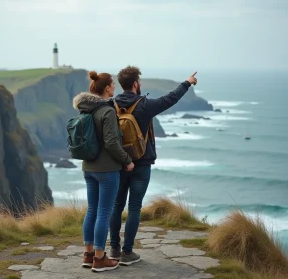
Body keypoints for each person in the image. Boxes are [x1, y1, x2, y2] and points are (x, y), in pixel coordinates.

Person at [109, 66, 198, 265]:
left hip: (120, 163)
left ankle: (114, 249)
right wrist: (187, 82)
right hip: (141, 164)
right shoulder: (144, 105)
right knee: (134, 207)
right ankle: (127, 252)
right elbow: (170, 99)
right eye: (139, 82)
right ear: (135, 84)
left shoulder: (111, 105)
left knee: (116, 205)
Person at [72, 71, 135, 272]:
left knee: (92, 210)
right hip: (107, 170)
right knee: (103, 212)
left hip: (88, 167)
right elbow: (111, 142)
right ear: (107, 88)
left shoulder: (86, 109)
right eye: (113, 85)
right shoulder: (106, 111)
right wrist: (127, 160)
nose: (114, 88)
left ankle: (88, 254)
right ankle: (100, 259)